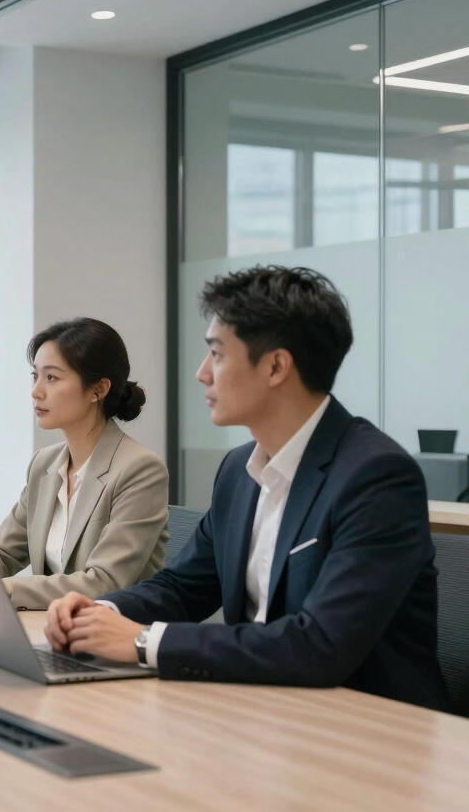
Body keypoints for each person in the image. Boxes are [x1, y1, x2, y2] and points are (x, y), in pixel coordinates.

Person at [44, 266, 451, 711]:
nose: (202, 373)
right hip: (260, 706)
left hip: (369, 728)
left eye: (216, 354)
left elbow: (320, 644)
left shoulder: (376, 477)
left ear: (277, 366)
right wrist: (103, 612)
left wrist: (143, 641)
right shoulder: (239, 470)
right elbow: (183, 588)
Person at [0, 318, 168, 609]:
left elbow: (104, 582)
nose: (36, 391)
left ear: (98, 389)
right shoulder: (44, 464)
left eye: (52, 378)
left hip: (113, 636)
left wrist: (4, 588)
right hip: (49, 628)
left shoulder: (139, 469)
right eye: (35, 376)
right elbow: (2, 553)